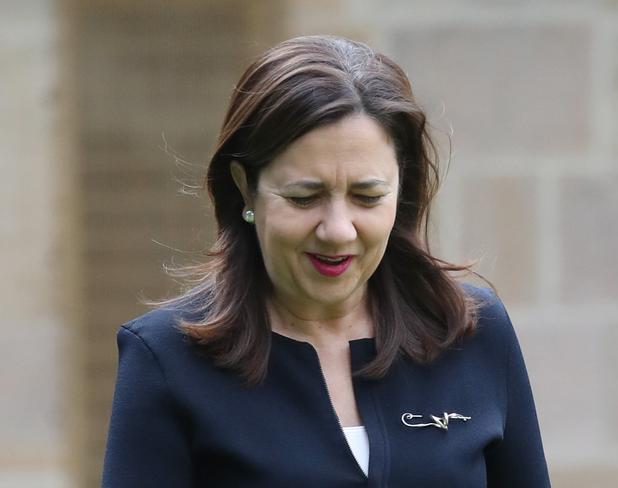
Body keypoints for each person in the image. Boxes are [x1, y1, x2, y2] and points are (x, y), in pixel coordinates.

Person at [102, 35, 550, 487]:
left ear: (403, 188)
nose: (338, 229)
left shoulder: (473, 331)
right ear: (245, 187)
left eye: (367, 196)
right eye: (304, 197)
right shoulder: (166, 360)